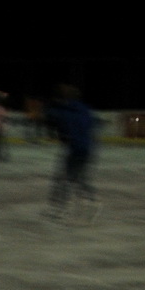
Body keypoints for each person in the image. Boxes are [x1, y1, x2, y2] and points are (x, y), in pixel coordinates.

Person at [45, 85, 98, 215]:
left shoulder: (63, 112)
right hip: (86, 148)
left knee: (65, 179)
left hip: (74, 148)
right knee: (79, 178)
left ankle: (60, 209)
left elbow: (60, 131)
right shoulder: (85, 109)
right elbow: (91, 126)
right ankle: (92, 201)